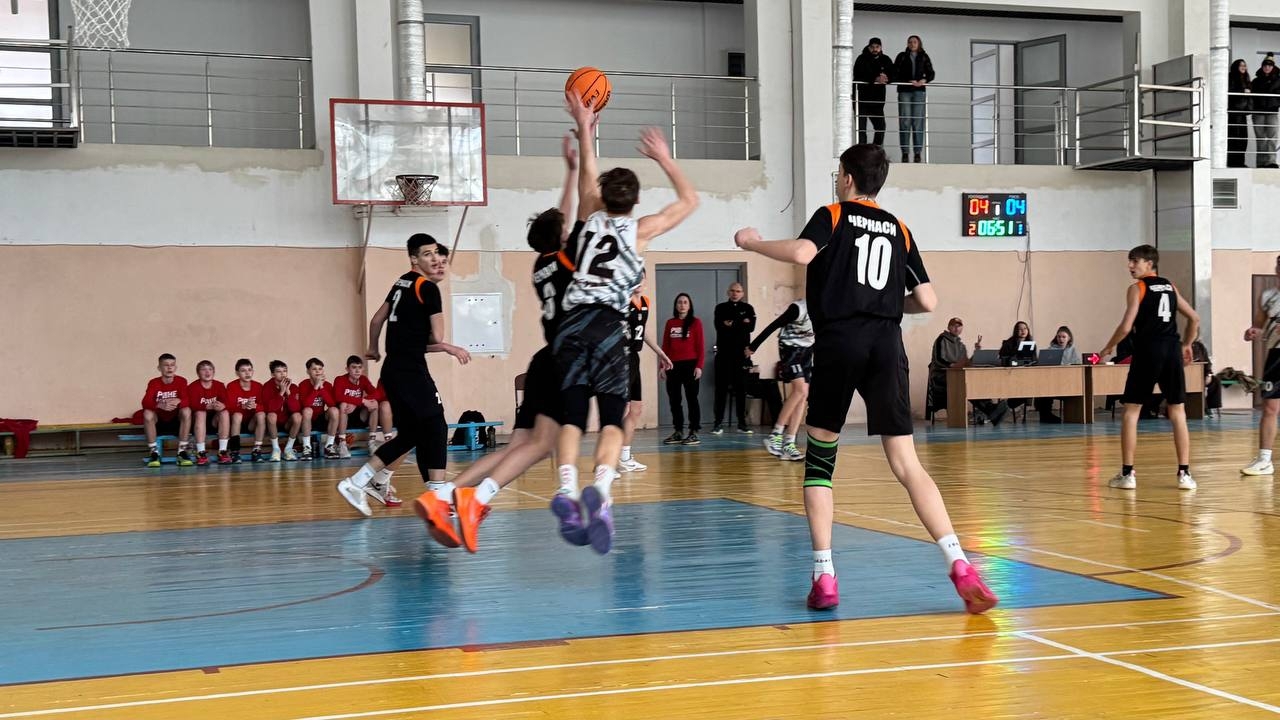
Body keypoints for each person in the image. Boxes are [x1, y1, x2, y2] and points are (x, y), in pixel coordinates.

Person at [733, 143, 997, 614]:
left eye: (839, 174)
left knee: (820, 461)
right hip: (887, 344)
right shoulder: (899, 228)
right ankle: (960, 563)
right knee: (907, 464)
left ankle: (824, 575)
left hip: (841, 341)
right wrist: (891, 304)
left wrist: (752, 242)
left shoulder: (833, 215)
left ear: (848, 178)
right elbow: (928, 301)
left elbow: (801, 252)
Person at [416, 130, 584, 552]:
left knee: (522, 444)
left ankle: (442, 494)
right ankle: (475, 499)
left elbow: (561, 218)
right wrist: (580, 155)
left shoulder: (542, 263)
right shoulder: (567, 259)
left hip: (543, 359)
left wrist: (570, 171)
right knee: (543, 444)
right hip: (564, 360)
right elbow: (576, 212)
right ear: (563, 237)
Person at [549, 93, 698, 556]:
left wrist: (584, 126)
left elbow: (588, 171)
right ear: (634, 202)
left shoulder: (586, 219)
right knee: (613, 419)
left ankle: (566, 487)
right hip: (609, 326)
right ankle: (601, 489)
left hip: (571, 323)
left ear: (601, 196)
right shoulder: (641, 229)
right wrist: (664, 158)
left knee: (573, 417)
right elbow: (690, 200)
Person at [336, 233, 470, 519]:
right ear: (414, 259)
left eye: (437, 253)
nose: (434, 259)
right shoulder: (427, 289)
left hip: (393, 370)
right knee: (436, 424)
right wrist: (444, 343)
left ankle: (365, 481)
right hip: (410, 371)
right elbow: (436, 335)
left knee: (413, 433)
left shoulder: (401, 282)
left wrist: (373, 347)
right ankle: (435, 494)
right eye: (427, 254)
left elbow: (377, 319)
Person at [1099, 244, 1200, 491]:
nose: (1130, 266)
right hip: (1172, 350)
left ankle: (1127, 474)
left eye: (1135, 261)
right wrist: (1187, 344)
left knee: (1131, 410)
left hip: (1148, 350)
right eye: (1130, 261)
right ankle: (1184, 474)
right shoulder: (1171, 287)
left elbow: (1126, 326)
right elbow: (1194, 318)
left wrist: (1107, 348)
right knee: (1177, 410)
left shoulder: (1138, 288)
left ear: (1150, 263)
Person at [746, 299, 813, 461]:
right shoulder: (798, 309)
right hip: (790, 349)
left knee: (804, 395)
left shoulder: (828, 310)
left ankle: (789, 442)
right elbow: (773, 325)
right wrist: (753, 346)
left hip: (806, 350)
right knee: (800, 390)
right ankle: (775, 435)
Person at [621, 279, 674, 472]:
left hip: (634, 357)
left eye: (641, 277)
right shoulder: (622, 301)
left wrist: (661, 353)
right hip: (621, 357)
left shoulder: (645, 302)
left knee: (636, 408)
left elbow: (642, 332)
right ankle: (606, 460)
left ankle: (624, 457)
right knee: (619, 409)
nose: (638, 282)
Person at [927, 317, 1008, 425]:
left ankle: (991, 411)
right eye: (954, 326)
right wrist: (953, 366)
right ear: (949, 327)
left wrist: (976, 352)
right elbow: (938, 360)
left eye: (959, 326)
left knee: (973, 382)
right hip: (941, 377)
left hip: (958, 376)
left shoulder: (961, 345)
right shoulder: (941, 339)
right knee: (965, 385)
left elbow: (967, 364)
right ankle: (990, 410)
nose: (956, 328)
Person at [1241, 254, 1280, 476]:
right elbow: (1258, 325)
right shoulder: (1268, 297)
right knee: (1270, 407)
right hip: (1276, 356)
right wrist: (1253, 332)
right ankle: (1265, 459)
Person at [661, 292, 706, 446]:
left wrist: (699, 366)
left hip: (690, 365)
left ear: (689, 305)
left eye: (685, 302)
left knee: (692, 399)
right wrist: (662, 366)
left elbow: (700, 347)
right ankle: (678, 431)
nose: (682, 305)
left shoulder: (696, 322)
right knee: (674, 400)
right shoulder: (670, 323)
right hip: (672, 366)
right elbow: (665, 346)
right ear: (675, 305)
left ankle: (694, 431)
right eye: (679, 302)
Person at [712, 282, 756, 434]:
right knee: (721, 389)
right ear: (728, 292)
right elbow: (720, 326)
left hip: (741, 355)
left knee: (741, 389)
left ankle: (742, 424)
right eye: (732, 290)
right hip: (723, 354)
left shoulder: (748, 308)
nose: (735, 293)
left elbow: (751, 327)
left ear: (742, 293)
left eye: (738, 291)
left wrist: (732, 323)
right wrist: (741, 322)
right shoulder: (720, 308)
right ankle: (718, 423)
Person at [142, 353, 192, 467]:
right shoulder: (154, 382)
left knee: (187, 410)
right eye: (166, 365)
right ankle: (154, 453)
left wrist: (179, 400)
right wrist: (159, 404)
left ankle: (182, 452)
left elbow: (188, 400)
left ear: (175, 367)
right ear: (159, 368)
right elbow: (145, 402)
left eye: (172, 365)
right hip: (159, 422)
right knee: (147, 413)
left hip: (176, 421)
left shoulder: (181, 381)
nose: (169, 368)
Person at [893, 35, 935, 163]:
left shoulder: (924, 56)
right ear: (907, 44)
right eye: (910, 42)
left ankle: (917, 153)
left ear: (919, 43)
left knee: (918, 122)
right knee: (905, 122)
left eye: (915, 42)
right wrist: (908, 81)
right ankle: (905, 152)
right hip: (905, 91)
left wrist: (924, 80)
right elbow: (895, 73)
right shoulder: (902, 56)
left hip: (919, 91)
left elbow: (931, 73)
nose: (912, 44)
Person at [333, 355, 381, 459]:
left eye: (360, 367)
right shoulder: (340, 379)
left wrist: (357, 403)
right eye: (354, 367)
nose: (357, 370)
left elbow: (377, 393)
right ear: (347, 369)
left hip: (359, 416)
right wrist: (361, 400)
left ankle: (372, 442)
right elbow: (338, 397)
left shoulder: (363, 379)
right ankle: (342, 443)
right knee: (343, 404)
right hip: (343, 417)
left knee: (374, 403)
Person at [1033, 326, 1082, 424]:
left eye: (1064, 337)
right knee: (1044, 388)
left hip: (1068, 381)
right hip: (1053, 381)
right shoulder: (1050, 350)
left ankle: (1076, 415)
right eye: (1059, 337)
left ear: (1069, 338)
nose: (1061, 339)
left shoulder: (1073, 350)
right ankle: (1046, 416)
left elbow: (1078, 365)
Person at [187, 360, 230, 466]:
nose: (207, 372)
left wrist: (223, 405)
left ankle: (222, 451)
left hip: (213, 422)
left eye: (210, 369)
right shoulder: (193, 387)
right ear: (198, 373)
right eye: (203, 369)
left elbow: (228, 402)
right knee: (201, 413)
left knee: (224, 412)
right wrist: (205, 407)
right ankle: (201, 453)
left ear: (213, 372)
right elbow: (190, 405)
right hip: (197, 422)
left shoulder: (219, 385)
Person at [853, 37, 894, 147]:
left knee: (880, 127)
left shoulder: (886, 59)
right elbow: (858, 74)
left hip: (877, 101)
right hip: (861, 99)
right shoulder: (861, 59)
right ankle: (862, 152)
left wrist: (886, 78)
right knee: (861, 129)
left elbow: (894, 73)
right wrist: (875, 78)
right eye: (872, 47)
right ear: (869, 47)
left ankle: (875, 151)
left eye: (877, 47)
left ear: (881, 47)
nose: (875, 49)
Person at [297, 358, 339, 460]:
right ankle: (307, 448)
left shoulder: (327, 385)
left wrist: (322, 387)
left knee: (334, 410)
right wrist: (316, 387)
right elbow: (305, 404)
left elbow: (331, 404)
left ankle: (329, 446)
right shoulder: (303, 384)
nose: (317, 371)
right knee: (307, 410)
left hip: (321, 418)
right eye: (314, 369)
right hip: (307, 419)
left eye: (320, 369)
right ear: (308, 371)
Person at [226, 358, 266, 463]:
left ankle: (257, 450)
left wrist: (255, 406)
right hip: (235, 422)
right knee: (237, 415)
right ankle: (235, 451)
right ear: (237, 373)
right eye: (243, 370)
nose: (247, 373)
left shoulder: (258, 386)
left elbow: (265, 406)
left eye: (249, 370)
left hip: (251, 424)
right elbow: (229, 408)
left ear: (253, 371)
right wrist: (243, 406)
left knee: (261, 414)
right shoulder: (231, 386)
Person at [263, 359, 302, 462]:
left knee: (297, 416)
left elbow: (296, 408)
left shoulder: (293, 387)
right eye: (278, 371)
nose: (282, 374)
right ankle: (276, 449)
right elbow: (270, 409)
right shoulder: (267, 386)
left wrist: (288, 392)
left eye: (284, 371)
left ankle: (288, 448)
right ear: (272, 374)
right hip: (272, 423)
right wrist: (281, 392)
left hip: (287, 423)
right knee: (272, 415)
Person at [1253, 55, 1280, 169]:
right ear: (1262, 67)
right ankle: (1261, 162)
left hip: (1272, 111)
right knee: (1260, 138)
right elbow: (1253, 95)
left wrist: (1275, 102)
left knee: (1272, 137)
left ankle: (1271, 161)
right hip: (1258, 111)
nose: (1267, 67)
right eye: (1265, 65)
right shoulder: (1256, 80)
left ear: (1273, 67)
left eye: (1269, 65)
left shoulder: (1278, 80)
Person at [1228, 59, 1252, 168]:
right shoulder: (1231, 77)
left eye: (1244, 65)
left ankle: (1240, 162)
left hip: (1242, 112)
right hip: (1234, 111)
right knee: (1235, 137)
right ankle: (1233, 162)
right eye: (1241, 65)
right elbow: (1230, 90)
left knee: (1243, 138)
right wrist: (1242, 91)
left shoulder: (1246, 78)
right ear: (1236, 67)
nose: (1243, 67)